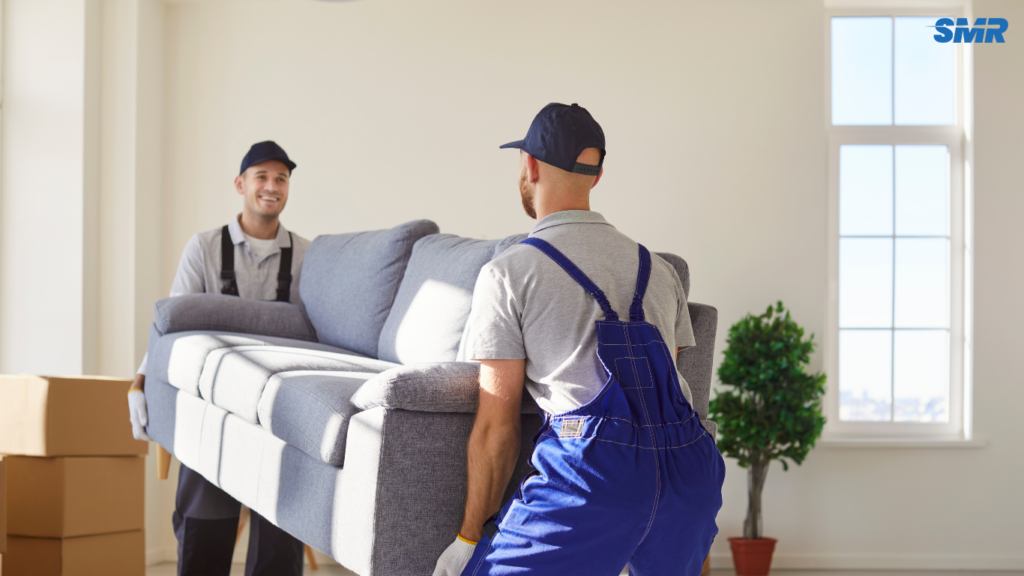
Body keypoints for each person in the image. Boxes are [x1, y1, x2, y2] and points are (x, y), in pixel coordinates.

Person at [433, 104, 725, 576]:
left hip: (591, 479)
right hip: (691, 477)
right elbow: (662, 394)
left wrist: (468, 539)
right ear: (597, 174)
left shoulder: (510, 273)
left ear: (529, 166)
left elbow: (497, 430)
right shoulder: (662, 272)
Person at [126, 141, 311, 576]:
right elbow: (173, 320)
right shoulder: (204, 247)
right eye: (261, 177)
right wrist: (139, 380)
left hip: (279, 412)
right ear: (240, 183)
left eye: (281, 178)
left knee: (281, 537)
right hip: (212, 409)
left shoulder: (307, 256)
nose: (271, 186)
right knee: (203, 529)